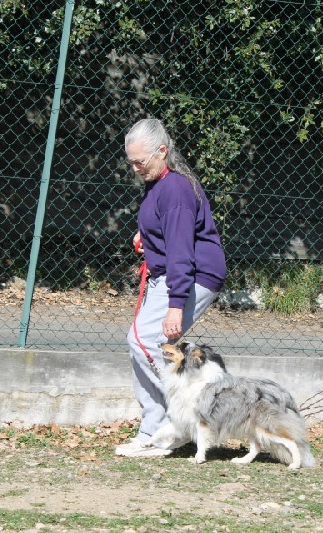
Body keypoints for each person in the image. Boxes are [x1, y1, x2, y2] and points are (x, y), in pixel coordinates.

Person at [114, 118, 227, 458]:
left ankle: (175, 427)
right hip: (171, 274)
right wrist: (145, 237)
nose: (135, 168)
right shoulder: (159, 183)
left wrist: (176, 304)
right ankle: (155, 429)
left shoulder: (175, 188)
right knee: (140, 341)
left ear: (162, 151)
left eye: (140, 161)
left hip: (190, 277)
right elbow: (164, 228)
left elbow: (181, 250)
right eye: (131, 161)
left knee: (145, 341)